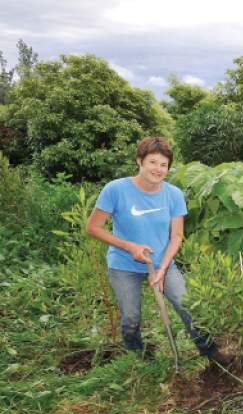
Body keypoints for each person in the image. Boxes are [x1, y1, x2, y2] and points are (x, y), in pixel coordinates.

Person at [86, 136, 229, 366]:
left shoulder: (173, 194)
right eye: (153, 162)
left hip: (164, 262)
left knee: (186, 305)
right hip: (124, 265)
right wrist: (129, 246)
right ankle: (137, 355)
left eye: (164, 165)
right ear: (139, 161)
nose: (158, 169)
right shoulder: (116, 190)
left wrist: (162, 268)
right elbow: (93, 228)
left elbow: (176, 236)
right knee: (131, 318)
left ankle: (210, 351)